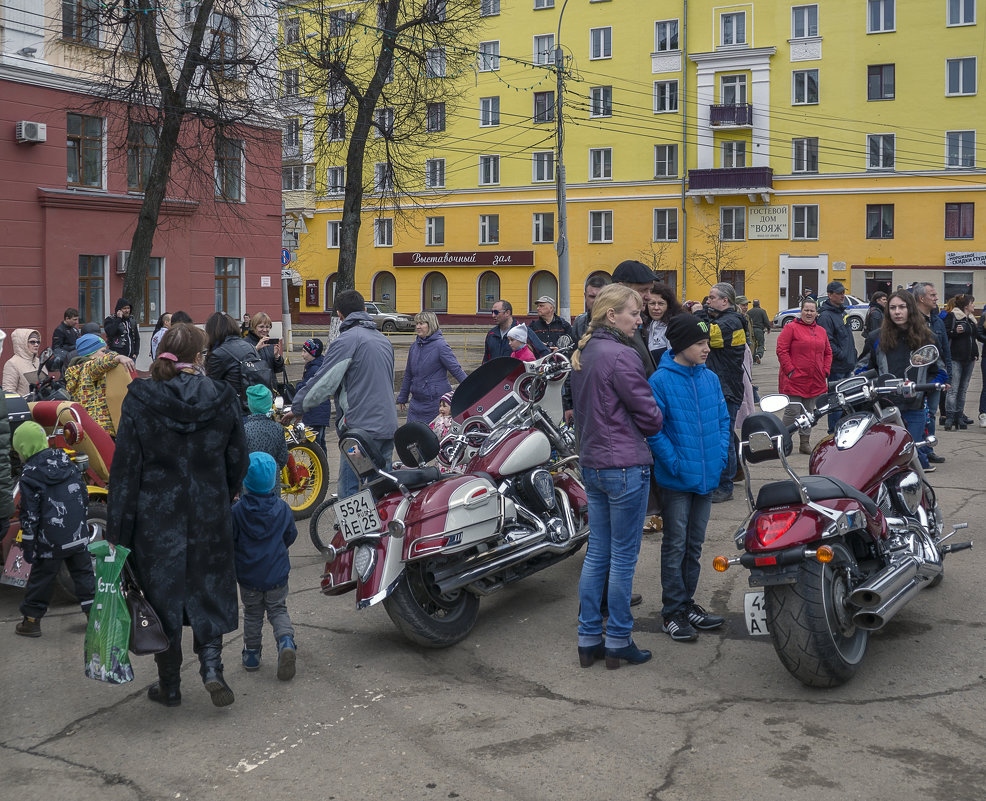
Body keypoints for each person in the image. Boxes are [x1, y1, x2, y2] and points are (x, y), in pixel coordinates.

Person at [106, 322, 249, 707]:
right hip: (209, 513)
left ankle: (169, 686)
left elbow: (125, 470)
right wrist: (225, 490)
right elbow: (239, 458)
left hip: (156, 519)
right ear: (198, 357)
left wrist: (117, 531)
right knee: (210, 590)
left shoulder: (140, 398)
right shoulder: (221, 396)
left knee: (161, 599)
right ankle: (213, 669)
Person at [570, 284, 663, 669]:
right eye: (634, 313)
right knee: (623, 559)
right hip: (624, 465)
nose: (640, 319)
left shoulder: (585, 352)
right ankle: (619, 639)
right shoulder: (622, 356)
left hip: (593, 463)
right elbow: (651, 416)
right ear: (612, 315)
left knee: (597, 555)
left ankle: (589, 637)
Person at [647, 315, 729, 642]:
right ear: (681, 346)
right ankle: (673, 612)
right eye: (699, 344)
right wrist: (675, 462)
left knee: (694, 545)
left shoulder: (709, 378)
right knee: (676, 544)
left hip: (707, 477)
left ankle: (688, 603)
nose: (706, 349)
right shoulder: (661, 381)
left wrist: (721, 455)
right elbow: (653, 430)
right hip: (677, 480)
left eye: (706, 342)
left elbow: (724, 420)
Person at [287, 290, 398, 500]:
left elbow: (323, 382)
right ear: (365, 310)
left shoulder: (347, 340)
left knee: (351, 494)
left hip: (361, 432)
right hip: (387, 427)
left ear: (339, 315)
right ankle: (383, 532)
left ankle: (355, 534)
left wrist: (297, 408)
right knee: (381, 492)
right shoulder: (383, 340)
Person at [11, 421, 95, 637]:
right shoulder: (67, 460)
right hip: (77, 534)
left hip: (50, 541)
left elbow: (30, 515)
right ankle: (94, 616)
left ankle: (31, 621)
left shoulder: (29, 474)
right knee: (84, 575)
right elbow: (83, 495)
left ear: (25, 448)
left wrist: (28, 545)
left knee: (42, 578)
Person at [232, 452, 298, 680]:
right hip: (277, 573)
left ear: (245, 481)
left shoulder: (237, 512)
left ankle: (251, 655)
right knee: (278, 610)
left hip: (249, 576)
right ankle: (286, 641)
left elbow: (231, 540)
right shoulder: (282, 509)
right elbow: (291, 535)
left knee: (252, 615)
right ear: (274, 481)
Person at [861, 291, 943, 471]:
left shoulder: (928, 338)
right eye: (892, 308)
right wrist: (863, 386)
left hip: (915, 409)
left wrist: (922, 388)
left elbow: (941, 371)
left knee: (909, 460)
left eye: (902, 307)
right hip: (884, 409)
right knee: (884, 461)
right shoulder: (876, 337)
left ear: (911, 309)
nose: (897, 312)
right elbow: (863, 368)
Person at [695, 283, 747, 503]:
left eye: (711, 298)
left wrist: (698, 314)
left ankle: (724, 486)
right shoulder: (724, 318)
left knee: (722, 438)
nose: (708, 301)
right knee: (725, 436)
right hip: (723, 386)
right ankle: (734, 472)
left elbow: (708, 336)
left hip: (726, 389)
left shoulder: (731, 322)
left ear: (725, 301)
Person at [775, 298, 832, 454]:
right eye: (806, 310)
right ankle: (783, 441)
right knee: (792, 412)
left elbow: (828, 352)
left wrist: (825, 370)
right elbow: (781, 350)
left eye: (812, 310)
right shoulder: (791, 328)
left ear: (816, 313)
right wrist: (790, 370)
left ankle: (804, 442)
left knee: (808, 413)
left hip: (815, 380)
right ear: (801, 312)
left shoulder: (821, 331)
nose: (809, 313)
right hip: (794, 379)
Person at [397, 311, 467, 423]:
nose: (418, 327)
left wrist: (472, 390)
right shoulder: (414, 347)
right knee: (412, 436)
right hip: (416, 403)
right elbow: (408, 374)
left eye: (422, 323)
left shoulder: (441, 346)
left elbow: (456, 370)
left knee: (432, 438)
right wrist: (402, 397)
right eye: (417, 324)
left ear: (431, 325)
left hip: (435, 403)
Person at [64, 334, 136, 436]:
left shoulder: (79, 370)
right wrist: (117, 357)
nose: (105, 354)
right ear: (91, 354)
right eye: (103, 351)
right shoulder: (88, 368)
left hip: (90, 426)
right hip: (101, 427)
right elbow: (99, 364)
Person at [912, 282, 950, 465]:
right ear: (921, 298)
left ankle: (928, 448)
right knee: (919, 414)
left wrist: (947, 375)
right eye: (933, 295)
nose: (936, 298)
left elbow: (944, 350)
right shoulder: (912, 321)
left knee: (931, 413)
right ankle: (918, 452)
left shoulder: (937, 321)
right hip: (918, 378)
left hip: (936, 375)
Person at [205, 312, 272, 412]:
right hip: (250, 404)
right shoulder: (248, 346)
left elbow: (210, 387)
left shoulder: (219, 353)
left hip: (231, 408)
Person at [817, 281, 858, 435]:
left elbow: (847, 338)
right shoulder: (826, 316)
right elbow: (827, 342)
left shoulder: (841, 312)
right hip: (837, 368)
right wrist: (841, 355)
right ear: (830, 295)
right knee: (835, 403)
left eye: (843, 292)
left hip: (848, 365)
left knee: (849, 402)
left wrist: (852, 354)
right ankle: (833, 432)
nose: (843, 296)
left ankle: (844, 430)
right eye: (839, 293)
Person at [611, 260, 658, 375]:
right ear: (620, 288)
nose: (649, 297)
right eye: (642, 290)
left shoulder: (640, 321)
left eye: (650, 290)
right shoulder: (611, 328)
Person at [943, 294, 978, 431]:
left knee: (963, 390)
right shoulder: (953, 316)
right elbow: (944, 334)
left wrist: (975, 353)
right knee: (953, 389)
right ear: (966, 305)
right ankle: (949, 417)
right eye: (972, 303)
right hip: (955, 358)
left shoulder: (970, 319)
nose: (974, 305)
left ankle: (959, 415)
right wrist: (954, 331)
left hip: (969, 359)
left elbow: (973, 338)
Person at [295, 338, 333, 453]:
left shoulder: (314, 369)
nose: (302, 355)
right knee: (320, 442)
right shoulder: (319, 365)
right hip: (320, 413)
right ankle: (322, 466)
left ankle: (318, 467)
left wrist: (298, 386)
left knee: (315, 444)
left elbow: (307, 389)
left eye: (305, 352)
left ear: (313, 353)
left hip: (315, 412)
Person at [483, 300, 549, 362]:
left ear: (507, 313)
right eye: (492, 312)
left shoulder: (523, 331)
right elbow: (486, 360)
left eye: (496, 312)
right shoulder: (491, 334)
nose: (493, 315)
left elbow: (543, 353)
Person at [243, 384, 289, 470]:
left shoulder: (245, 430)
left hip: (250, 478)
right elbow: (283, 458)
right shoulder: (278, 428)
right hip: (272, 478)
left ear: (250, 405)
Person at [643, 283, 681, 366]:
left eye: (661, 304)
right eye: (652, 303)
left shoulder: (674, 327)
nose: (656, 308)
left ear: (669, 306)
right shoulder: (641, 325)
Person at [244, 312, 284, 386]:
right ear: (254, 327)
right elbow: (244, 366)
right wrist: (255, 350)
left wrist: (277, 356)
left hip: (270, 388)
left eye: (267, 327)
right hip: (254, 388)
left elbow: (278, 370)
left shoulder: (269, 343)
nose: (265, 330)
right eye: (261, 327)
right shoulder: (245, 343)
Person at [2, 328, 41, 395]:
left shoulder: (39, 361)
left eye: (38, 342)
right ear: (23, 343)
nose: (36, 344)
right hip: (25, 404)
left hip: (43, 403)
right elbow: (9, 392)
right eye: (32, 342)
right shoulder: (12, 363)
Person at [572, 275, 610, 342]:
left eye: (600, 296)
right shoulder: (579, 322)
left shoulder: (617, 322)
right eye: (592, 296)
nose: (596, 301)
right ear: (585, 296)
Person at [747, 300, 772, 364]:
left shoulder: (749, 312)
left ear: (753, 304)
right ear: (759, 304)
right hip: (759, 330)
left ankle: (754, 358)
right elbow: (766, 321)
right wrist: (768, 328)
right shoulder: (762, 311)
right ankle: (759, 354)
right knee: (761, 344)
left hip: (751, 330)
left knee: (753, 345)